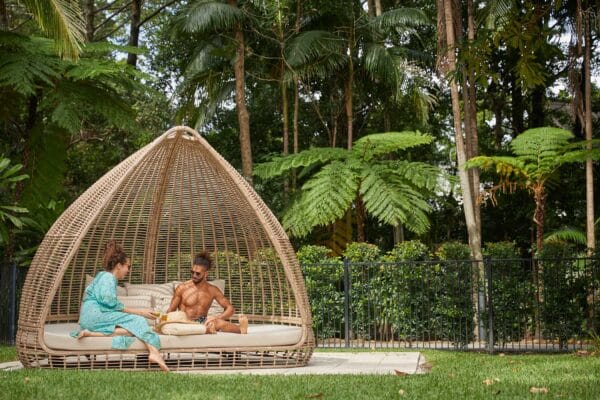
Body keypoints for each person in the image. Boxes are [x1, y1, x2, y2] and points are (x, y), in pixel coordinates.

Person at [70, 241, 169, 372]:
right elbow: (109, 302)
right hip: (95, 315)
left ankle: (90, 333)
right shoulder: (108, 277)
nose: (128, 270)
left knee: (134, 327)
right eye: (128, 266)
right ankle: (154, 353)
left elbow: (110, 305)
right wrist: (140, 312)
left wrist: (139, 313)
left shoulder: (104, 276)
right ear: (118, 266)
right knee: (138, 321)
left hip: (90, 318)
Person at [167, 252, 248, 334]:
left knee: (218, 323)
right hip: (184, 322)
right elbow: (171, 310)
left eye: (198, 273)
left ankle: (242, 329)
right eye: (192, 272)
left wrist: (217, 318)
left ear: (206, 274)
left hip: (202, 322)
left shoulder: (212, 290)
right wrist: (162, 320)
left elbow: (230, 309)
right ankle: (207, 330)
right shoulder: (182, 288)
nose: (194, 275)